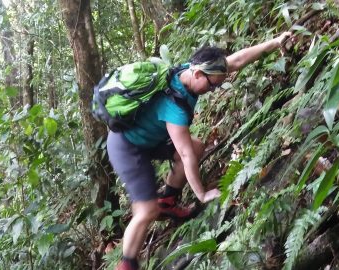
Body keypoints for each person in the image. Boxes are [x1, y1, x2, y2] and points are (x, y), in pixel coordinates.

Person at [109, 32, 292, 270]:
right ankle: (127, 264)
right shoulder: (174, 108)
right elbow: (184, 155)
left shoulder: (189, 70)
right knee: (146, 210)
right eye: (213, 85)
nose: (214, 90)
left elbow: (235, 61)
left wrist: (275, 42)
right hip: (127, 146)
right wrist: (202, 194)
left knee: (197, 147)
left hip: (150, 137)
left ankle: (169, 200)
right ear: (198, 74)